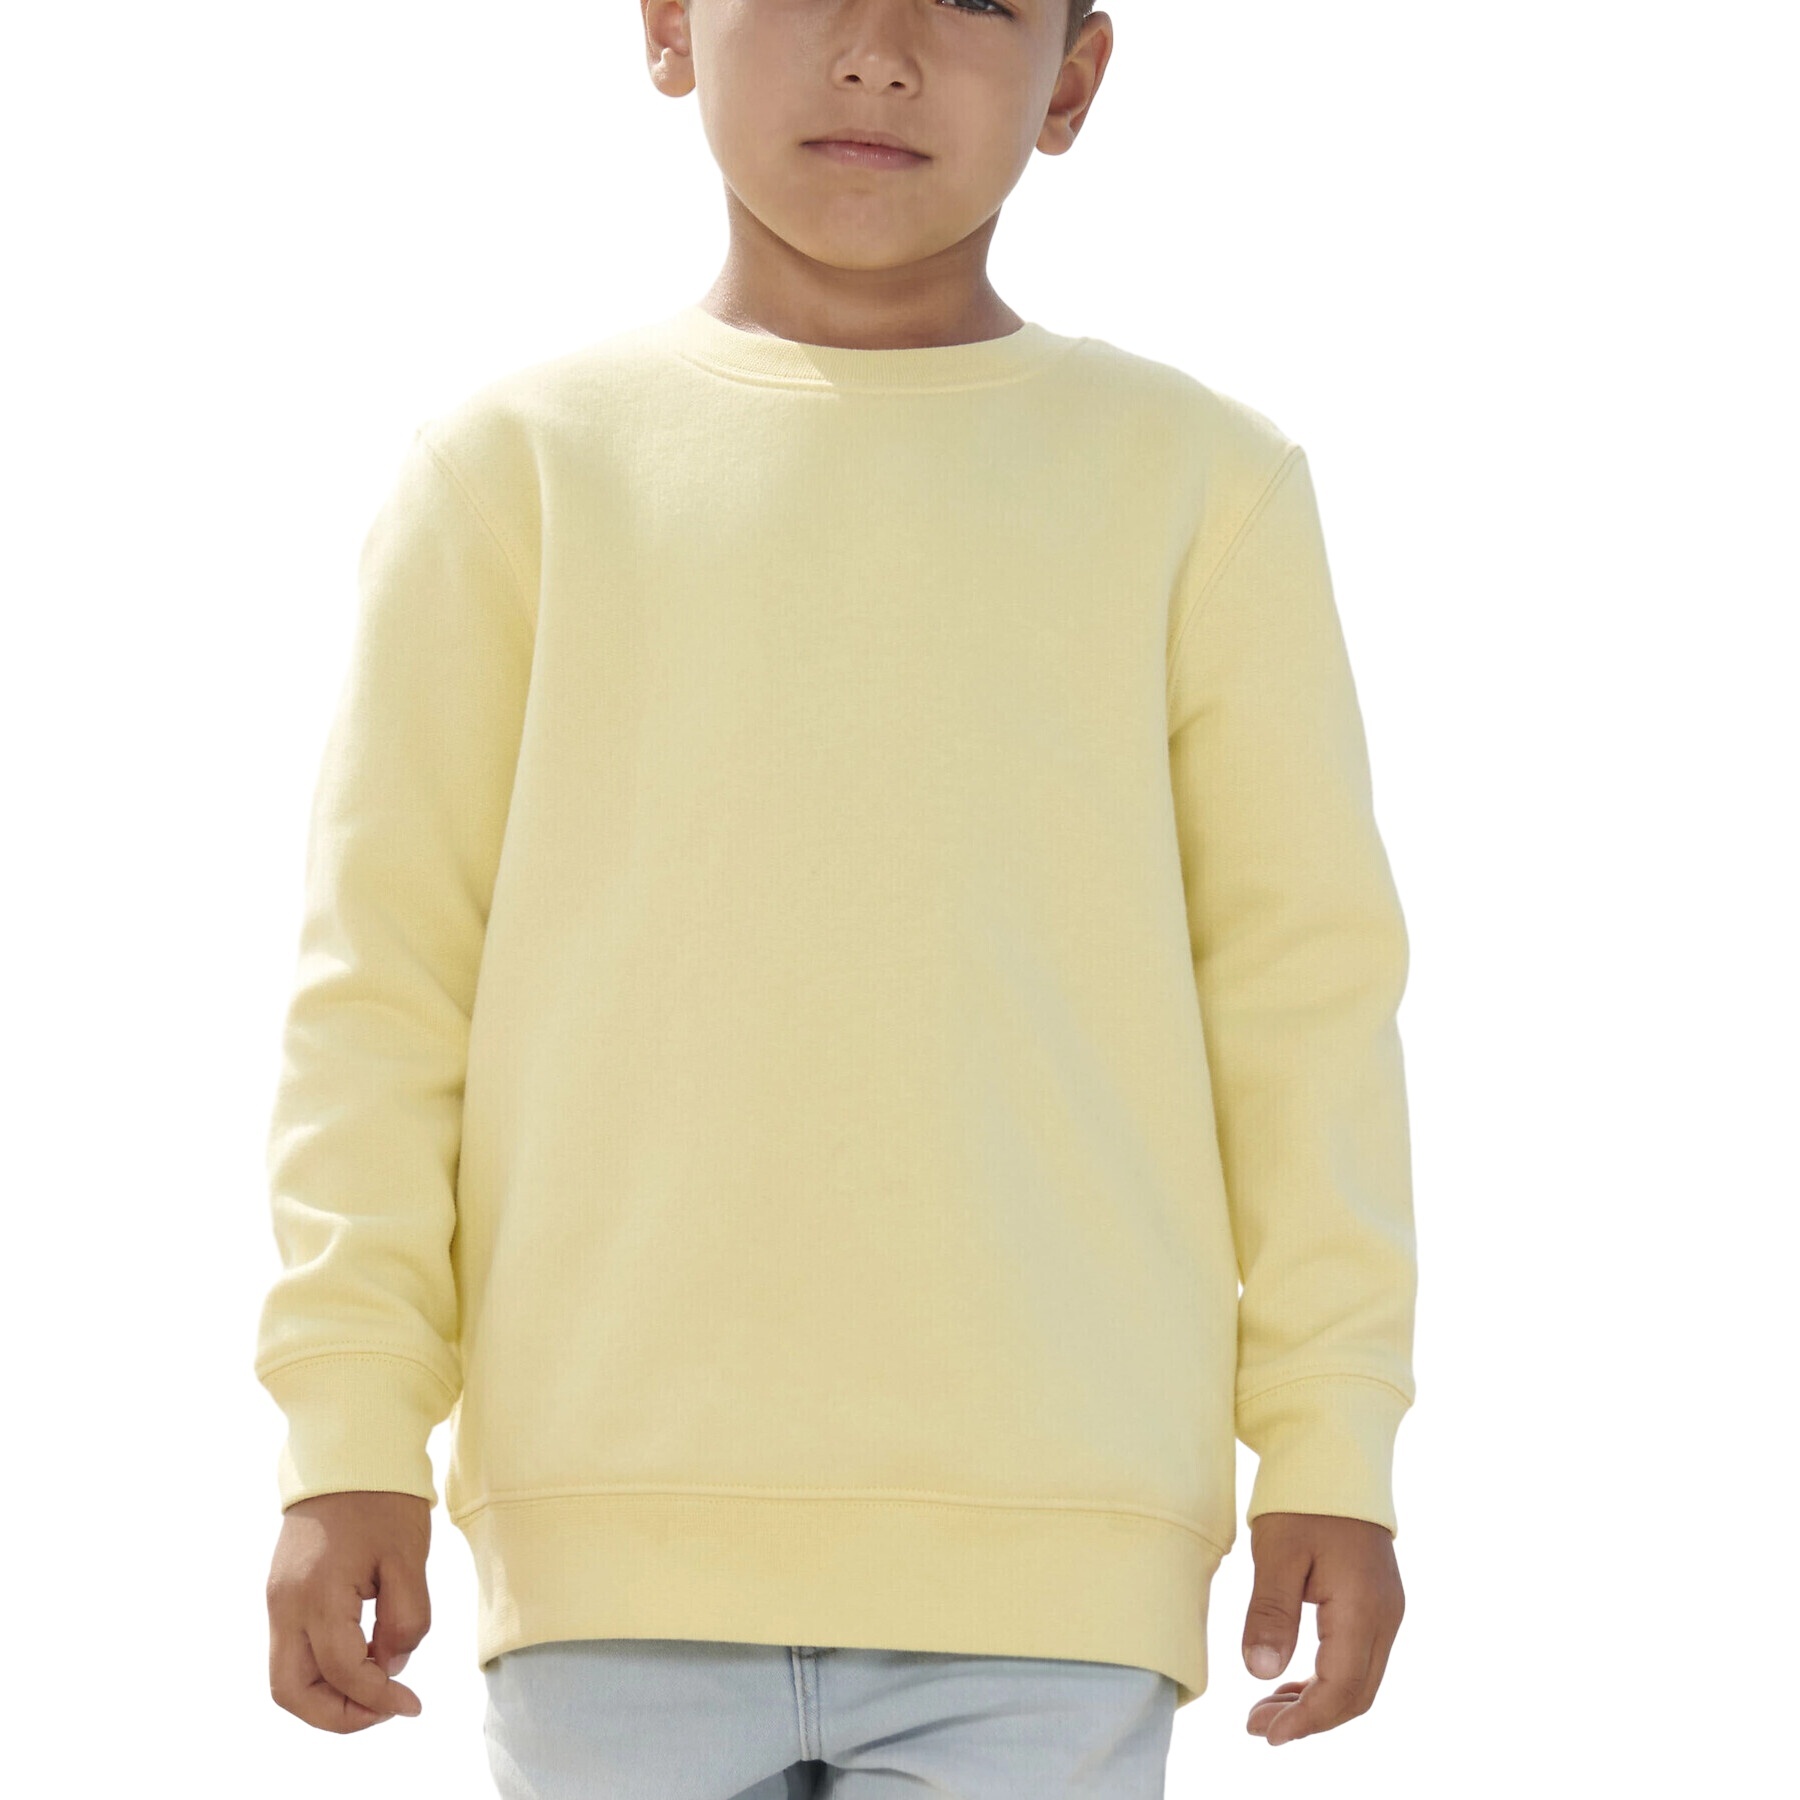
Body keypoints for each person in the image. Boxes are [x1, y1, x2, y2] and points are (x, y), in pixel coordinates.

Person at [256, 3, 1417, 1793]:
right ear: (670, 25)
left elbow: (1304, 1012)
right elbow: (385, 994)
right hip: (606, 1546)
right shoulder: (511, 476)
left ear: (1075, 78)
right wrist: (348, 1431)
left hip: (1058, 1554)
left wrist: (1333, 1447)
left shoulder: (1204, 489)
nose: (879, 50)